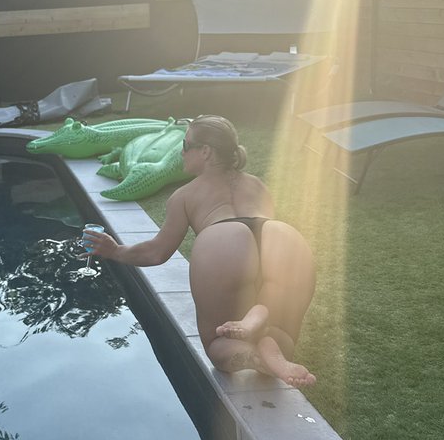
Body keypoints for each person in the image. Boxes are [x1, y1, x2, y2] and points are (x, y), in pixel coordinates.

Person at [84, 115, 316, 387]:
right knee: (280, 330)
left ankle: (258, 358)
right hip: (282, 237)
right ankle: (263, 325)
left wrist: (115, 251)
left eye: (185, 144)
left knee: (218, 344)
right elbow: (260, 253)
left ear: (205, 151)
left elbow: (156, 252)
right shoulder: (257, 184)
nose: (181, 152)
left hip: (223, 240)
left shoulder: (185, 195)